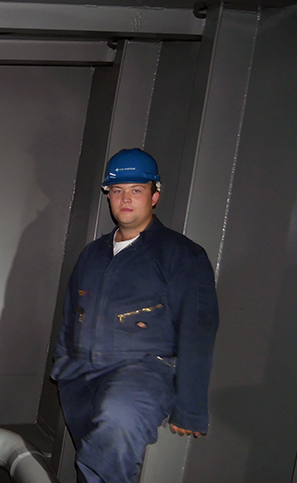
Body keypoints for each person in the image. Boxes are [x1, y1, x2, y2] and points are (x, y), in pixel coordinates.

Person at [51, 148, 220, 483]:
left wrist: (190, 407)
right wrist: (61, 364)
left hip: (143, 369)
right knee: (93, 450)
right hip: (81, 372)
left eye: (136, 190)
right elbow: (72, 315)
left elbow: (197, 331)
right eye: (117, 191)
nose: (125, 199)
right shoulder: (92, 254)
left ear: (155, 196)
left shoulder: (182, 255)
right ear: (108, 197)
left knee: (118, 419)